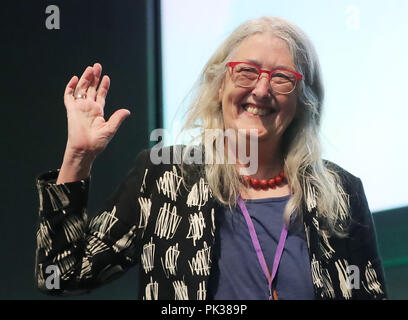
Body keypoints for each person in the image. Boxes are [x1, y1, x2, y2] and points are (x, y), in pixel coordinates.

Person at [35, 16, 387, 300]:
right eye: (246, 71)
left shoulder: (340, 194)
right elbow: (60, 275)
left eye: (281, 78)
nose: (261, 90)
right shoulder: (163, 178)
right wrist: (77, 157)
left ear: (302, 102)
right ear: (220, 86)